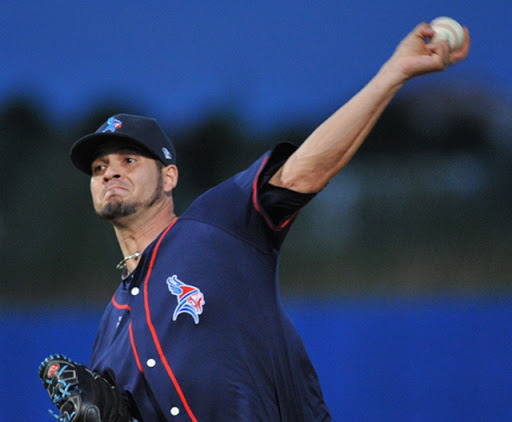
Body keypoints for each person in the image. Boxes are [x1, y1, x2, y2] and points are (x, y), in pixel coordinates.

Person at [39, 22, 470, 421]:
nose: (110, 172)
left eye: (128, 160)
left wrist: (393, 73)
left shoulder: (218, 224)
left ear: (169, 176)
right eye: (99, 168)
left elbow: (306, 168)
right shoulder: (109, 328)